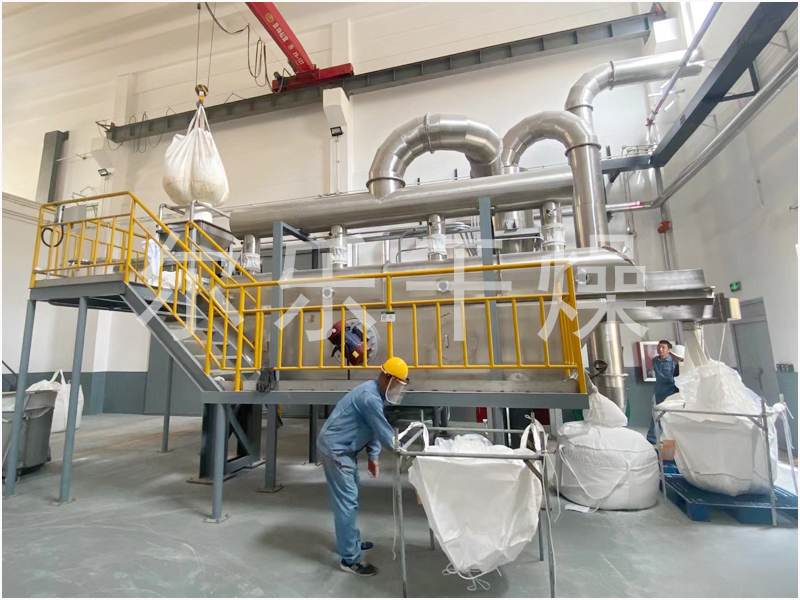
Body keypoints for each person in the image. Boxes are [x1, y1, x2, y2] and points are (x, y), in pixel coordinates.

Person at [316, 357, 410, 576]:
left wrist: (373, 456)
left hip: (345, 449)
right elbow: (384, 431)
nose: (397, 390)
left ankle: (351, 542)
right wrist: (405, 453)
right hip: (336, 450)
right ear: (386, 378)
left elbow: (372, 428)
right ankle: (349, 559)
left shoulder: (376, 395)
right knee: (347, 502)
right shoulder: (369, 397)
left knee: (351, 497)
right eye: (397, 384)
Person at [646, 340, 681, 444]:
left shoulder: (674, 362)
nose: (660, 349)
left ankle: (670, 440)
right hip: (659, 392)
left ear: (669, 350)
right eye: (659, 347)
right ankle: (652, 439)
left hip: (671, 392)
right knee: (657, 415)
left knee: (670, 417)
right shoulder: (655, 361)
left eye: (663, 347)